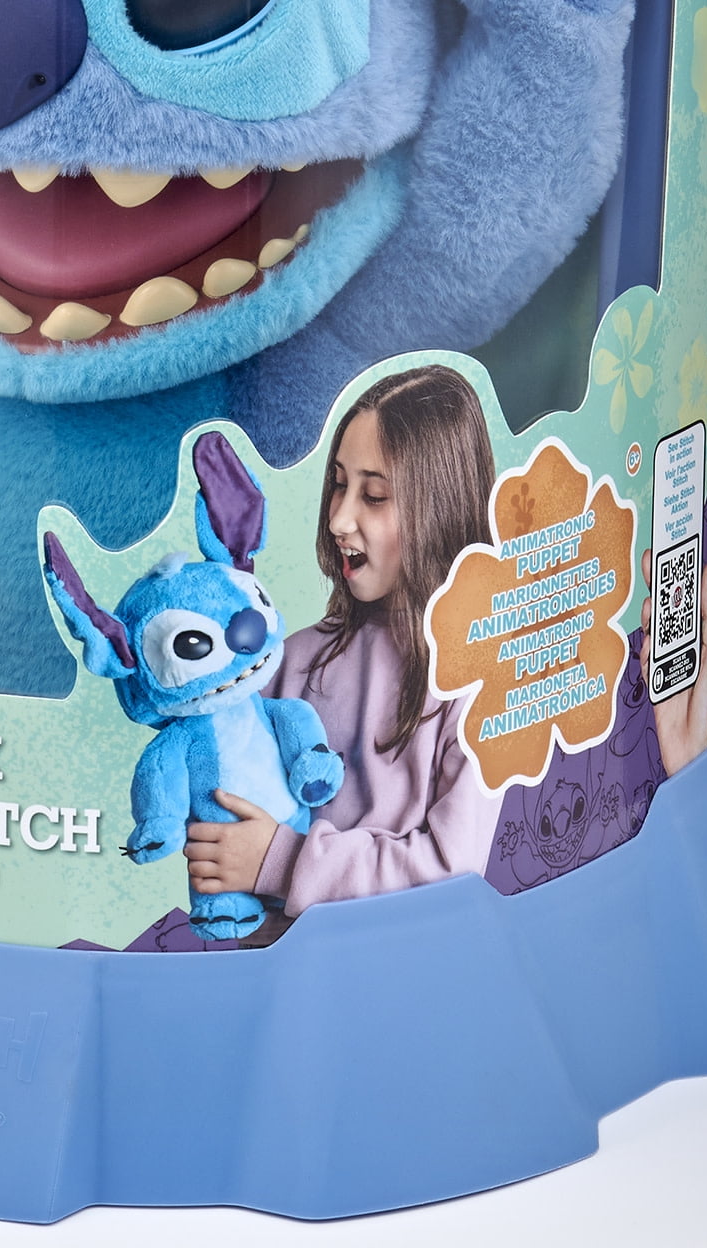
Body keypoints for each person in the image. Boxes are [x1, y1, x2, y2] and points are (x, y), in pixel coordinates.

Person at [184, 365, 504, 921]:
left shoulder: (480, 676)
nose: (338, 519)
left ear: (443, 507)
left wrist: (283, 862)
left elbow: (453, 869)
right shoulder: (290, 661)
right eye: (338, 484)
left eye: (374, 495)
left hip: (411, 963)